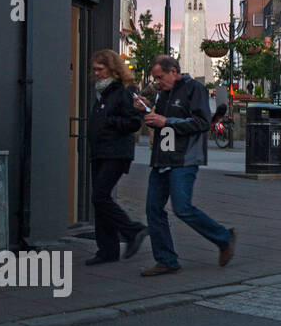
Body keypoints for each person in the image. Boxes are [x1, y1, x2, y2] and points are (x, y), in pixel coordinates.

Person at [141, 56, 237, 276]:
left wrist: (166, 122)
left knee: (182, 207)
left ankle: (224, 237)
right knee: (153, 209)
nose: (157, 82)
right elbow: (162, 122)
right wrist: (146, 111)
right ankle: (166, 260)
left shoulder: (195, 89)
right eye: (155, 78)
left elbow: (202, 123)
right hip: (162, 158)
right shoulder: (163, 93)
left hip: (185, 158)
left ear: (174, 71)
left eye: (160, 77)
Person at [86, 50, 149, 265]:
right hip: (101, 151)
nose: (97, 73)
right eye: (95, 69)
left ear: (112, 68)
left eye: (100, 69)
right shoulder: (104, 91)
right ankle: (107, 250)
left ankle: (133, 230)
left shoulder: (124, 90)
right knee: (101, 200)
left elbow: (133, 122)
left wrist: (109, 121)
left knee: (100, 197)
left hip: (116, 152)